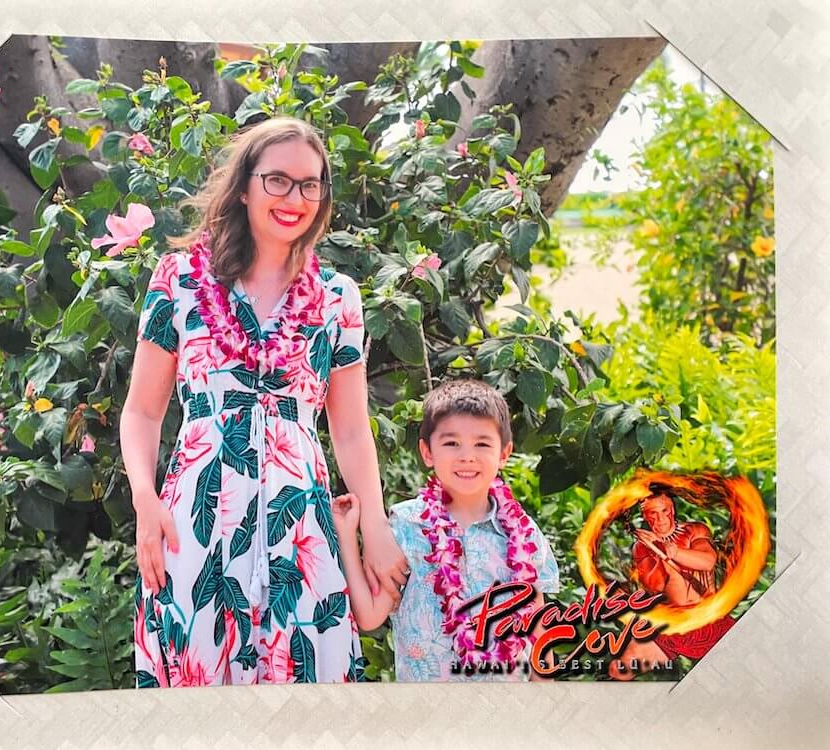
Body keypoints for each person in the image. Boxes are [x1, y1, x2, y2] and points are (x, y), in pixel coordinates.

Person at [120, 117, 406, 687]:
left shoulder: (338, 299)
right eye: (277, 180)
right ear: (245, 186)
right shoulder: (178, 280)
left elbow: (350, 431)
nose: (294, 198)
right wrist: (144, 504)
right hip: (195, 525)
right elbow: (143, 412)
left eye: (310, 184)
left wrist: (373, 524)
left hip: (299, 529)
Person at [332, 379, 560, 682]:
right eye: (452, 443)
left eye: (482, 443)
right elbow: (370, 615)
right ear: (427, 452)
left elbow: (538, 633)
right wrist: (347, 536)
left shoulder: (525, 536)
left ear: (504, 454)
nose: (467, 455)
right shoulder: (409, 527)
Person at [608, 493, 735, 680]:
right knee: (618, 669)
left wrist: (669, 551)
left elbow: (707, 561)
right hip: (672, 627)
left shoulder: (695, 531)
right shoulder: (641, 547)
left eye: (664, 511)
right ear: (645, 516)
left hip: (709, 622)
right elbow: (656, 586)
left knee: (741, 670)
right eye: (652, 513)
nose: (659, 519)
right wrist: (655, 551)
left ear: (672, 510)